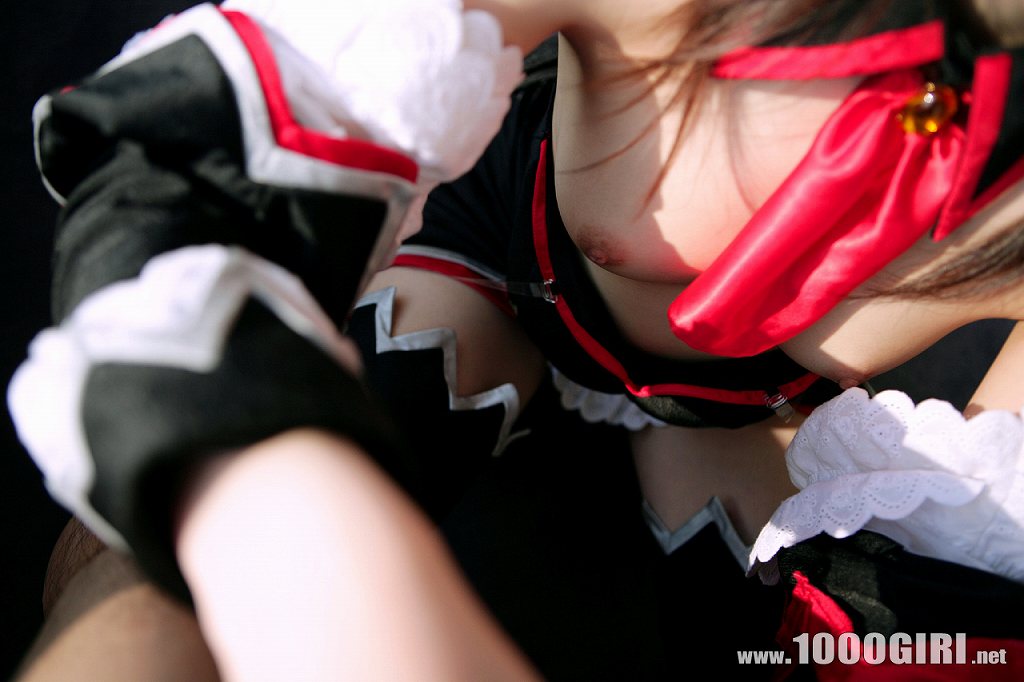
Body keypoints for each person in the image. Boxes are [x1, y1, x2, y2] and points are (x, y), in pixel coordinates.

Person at [7, 0, 1024, 679]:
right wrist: (284, 507)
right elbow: (182, 166)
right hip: (499, 261)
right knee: (156, 565)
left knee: (840, 643)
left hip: (747, 410)